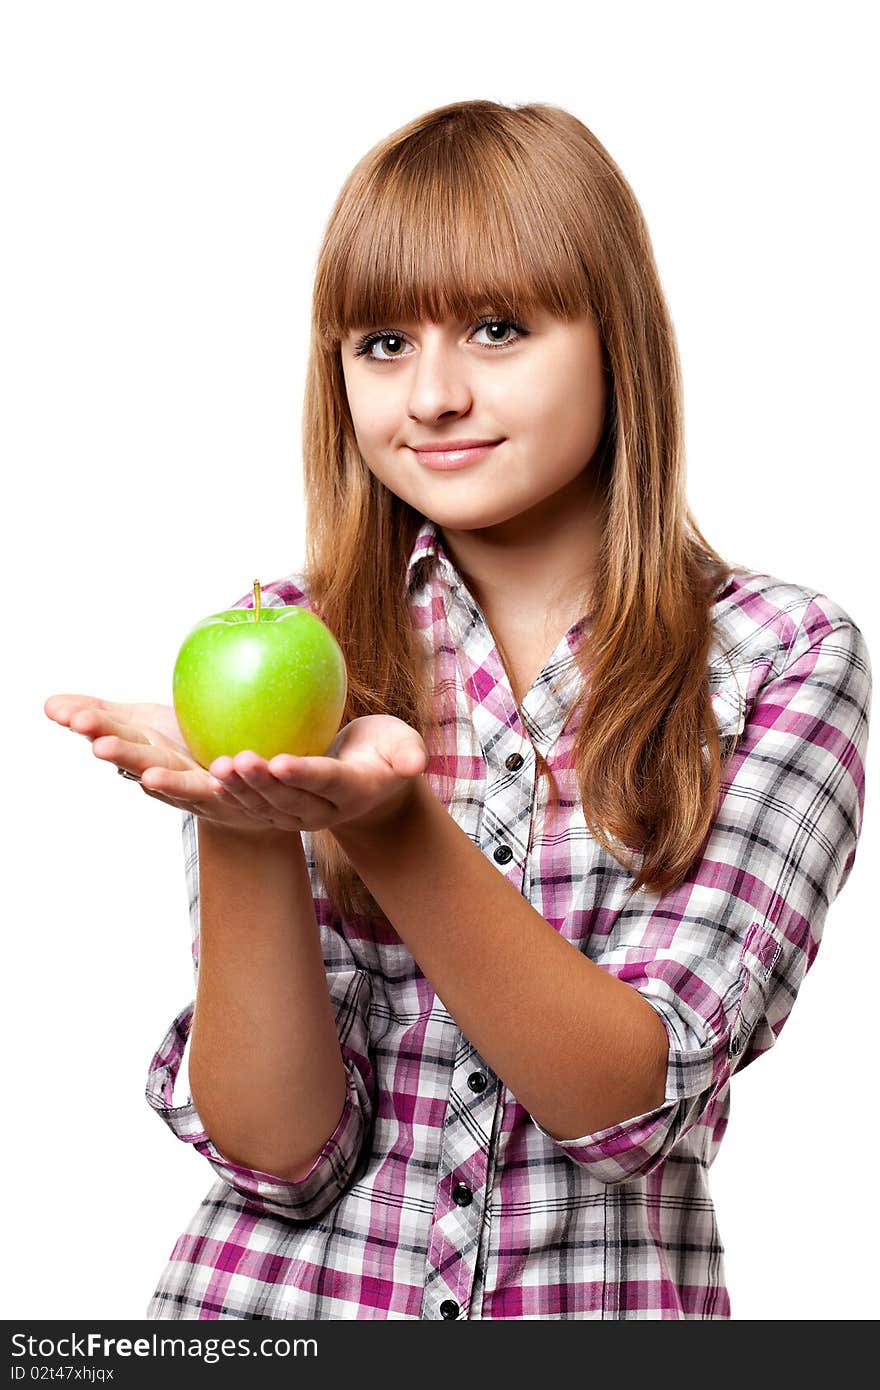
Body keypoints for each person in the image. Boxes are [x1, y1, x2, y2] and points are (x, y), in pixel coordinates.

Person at [44, 99, 871, 1321]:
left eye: (495, 329)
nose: (430, 395)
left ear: (615, 340)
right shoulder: (289, 640)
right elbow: (283, 1156)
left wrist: (391, 825)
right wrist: (242, 816)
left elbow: (626, 1108)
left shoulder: (779, 659)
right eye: (381, 342)